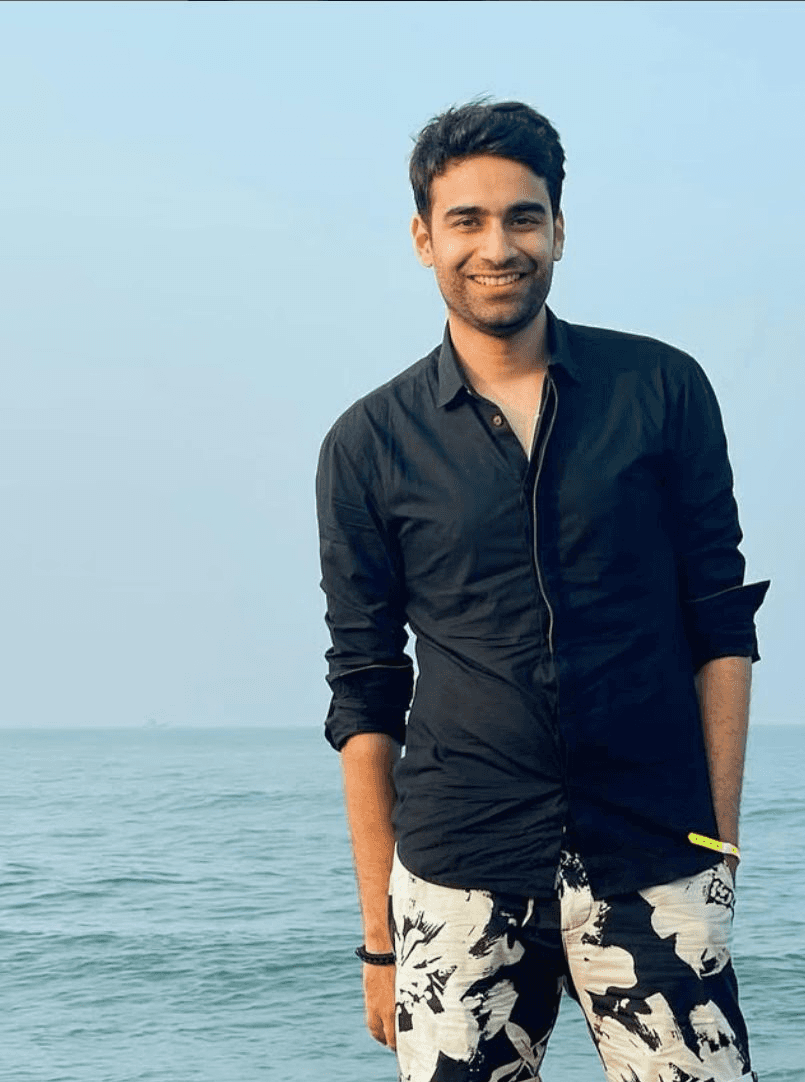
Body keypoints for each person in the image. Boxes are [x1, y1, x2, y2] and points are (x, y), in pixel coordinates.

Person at [316, 99, 769, 1082]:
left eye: (522, 217)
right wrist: (380, 941)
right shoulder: (368, 444)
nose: (497, 246)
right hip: (456, 869)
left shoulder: (662, 391)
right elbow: (365, 687)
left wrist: (718, 849)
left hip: (655, 853)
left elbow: (720, 626)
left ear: (558, 229)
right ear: (424, 239)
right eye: (467, 221)